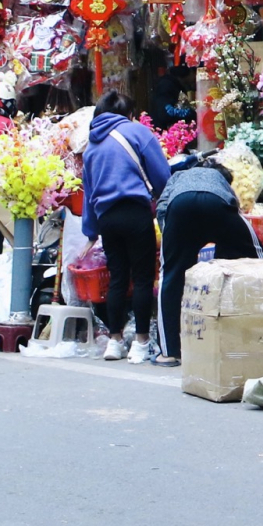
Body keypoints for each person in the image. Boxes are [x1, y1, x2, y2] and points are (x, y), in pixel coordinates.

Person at [79, 91, 170, 362]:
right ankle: (141, 343)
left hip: (107, 218)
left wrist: (90, 232)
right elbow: (162, 175)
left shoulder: (92, 145)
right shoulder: (136, 132)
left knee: (117, 279)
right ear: (128, 113)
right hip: (135, 212)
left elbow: (89, 192)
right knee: (142, 278)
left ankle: (114, 342)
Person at [152, 144, 261, 367]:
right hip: (217, 205)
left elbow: (162, 208)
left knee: (170, 277)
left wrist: (172, 242)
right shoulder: (221, 181)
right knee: (252, 263)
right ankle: (255, 336)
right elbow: (234, 207)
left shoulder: (179, 176)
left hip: (179, 207)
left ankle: (170, 352)